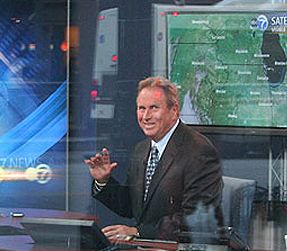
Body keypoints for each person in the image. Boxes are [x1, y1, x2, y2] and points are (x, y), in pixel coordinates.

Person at [85, 76, 223, 242]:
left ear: (174, 111)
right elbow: (134, 206)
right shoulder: (142, 149)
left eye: (154, 108)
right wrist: (104, 181)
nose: (146, 116)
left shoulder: (199, 151)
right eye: (141, 108)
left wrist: (139, 232)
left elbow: (195, 217)